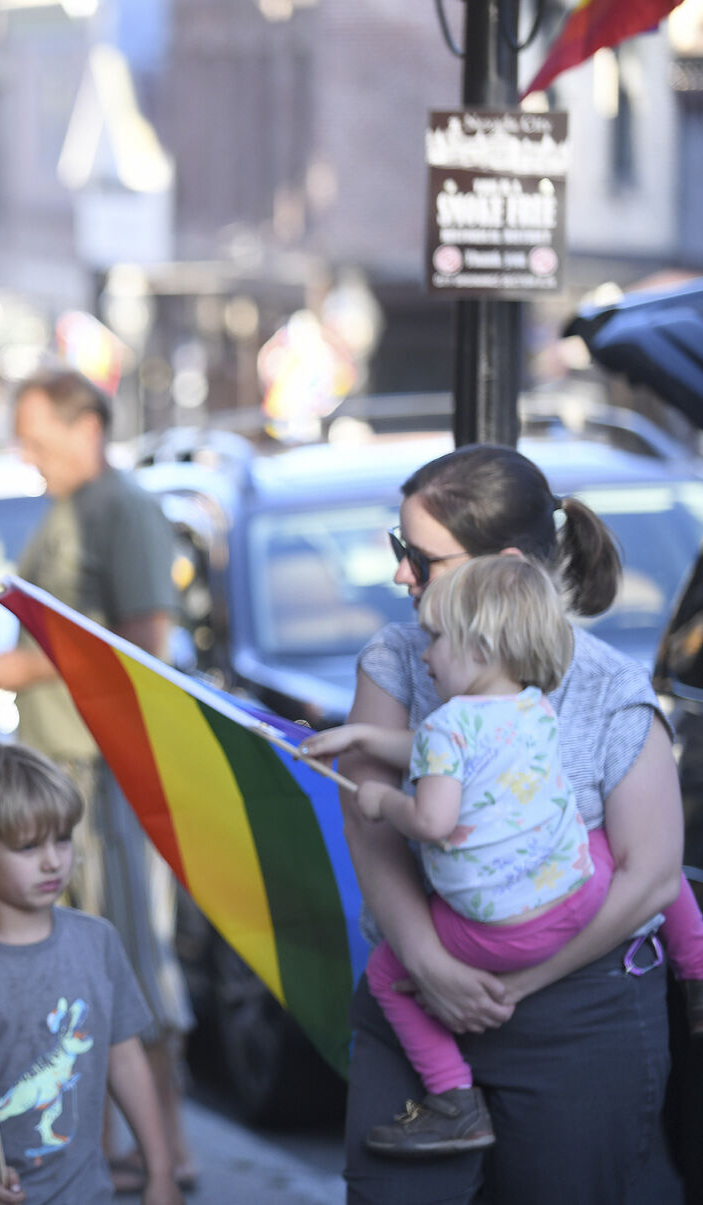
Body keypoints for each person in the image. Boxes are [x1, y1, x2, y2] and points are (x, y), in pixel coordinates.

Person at [331, 443, 688, 1203]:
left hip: (578, 1015)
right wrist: (427, 964)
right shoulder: (398, 657)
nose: (400, 573)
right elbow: (369, 822)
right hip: (422, 993)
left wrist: (516, 984)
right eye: (399, 550)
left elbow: (650, 874)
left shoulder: (606, 688)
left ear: (501, 565)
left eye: (419, 557)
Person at [0, 369, 195, 1191]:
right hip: (58, 761)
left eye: (37, 437)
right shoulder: (67, 506)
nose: (27, 456)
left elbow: (143, 649)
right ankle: (109, 1146)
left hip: (102, 771)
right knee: (75, 964)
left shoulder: (121, 506)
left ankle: (168, 1148)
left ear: (86, 423)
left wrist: (19, 665)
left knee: (123, 955)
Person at [0, 743, 182, 1205]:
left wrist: (160, 1172)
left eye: (62, 839)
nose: (53, 861)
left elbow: (125, 1059)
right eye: (28, 846)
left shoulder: (97, 941)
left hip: (85, 1193)